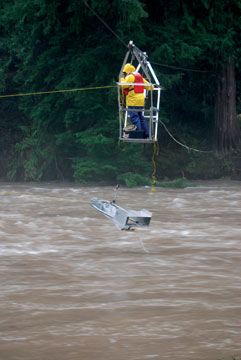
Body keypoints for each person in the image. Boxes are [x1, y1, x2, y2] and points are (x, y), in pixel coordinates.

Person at [119, 63, 154, 138]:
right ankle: (147, 134)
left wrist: (122, 79)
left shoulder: (130, 76)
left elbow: (124, 85)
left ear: (127, 71)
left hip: (133, 101)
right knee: (141, 118)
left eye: (125, 73)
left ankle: (139, 134)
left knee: (134, 118)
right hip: (140, 101)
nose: (125, 74)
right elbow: (151, 87)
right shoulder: (140, 77)